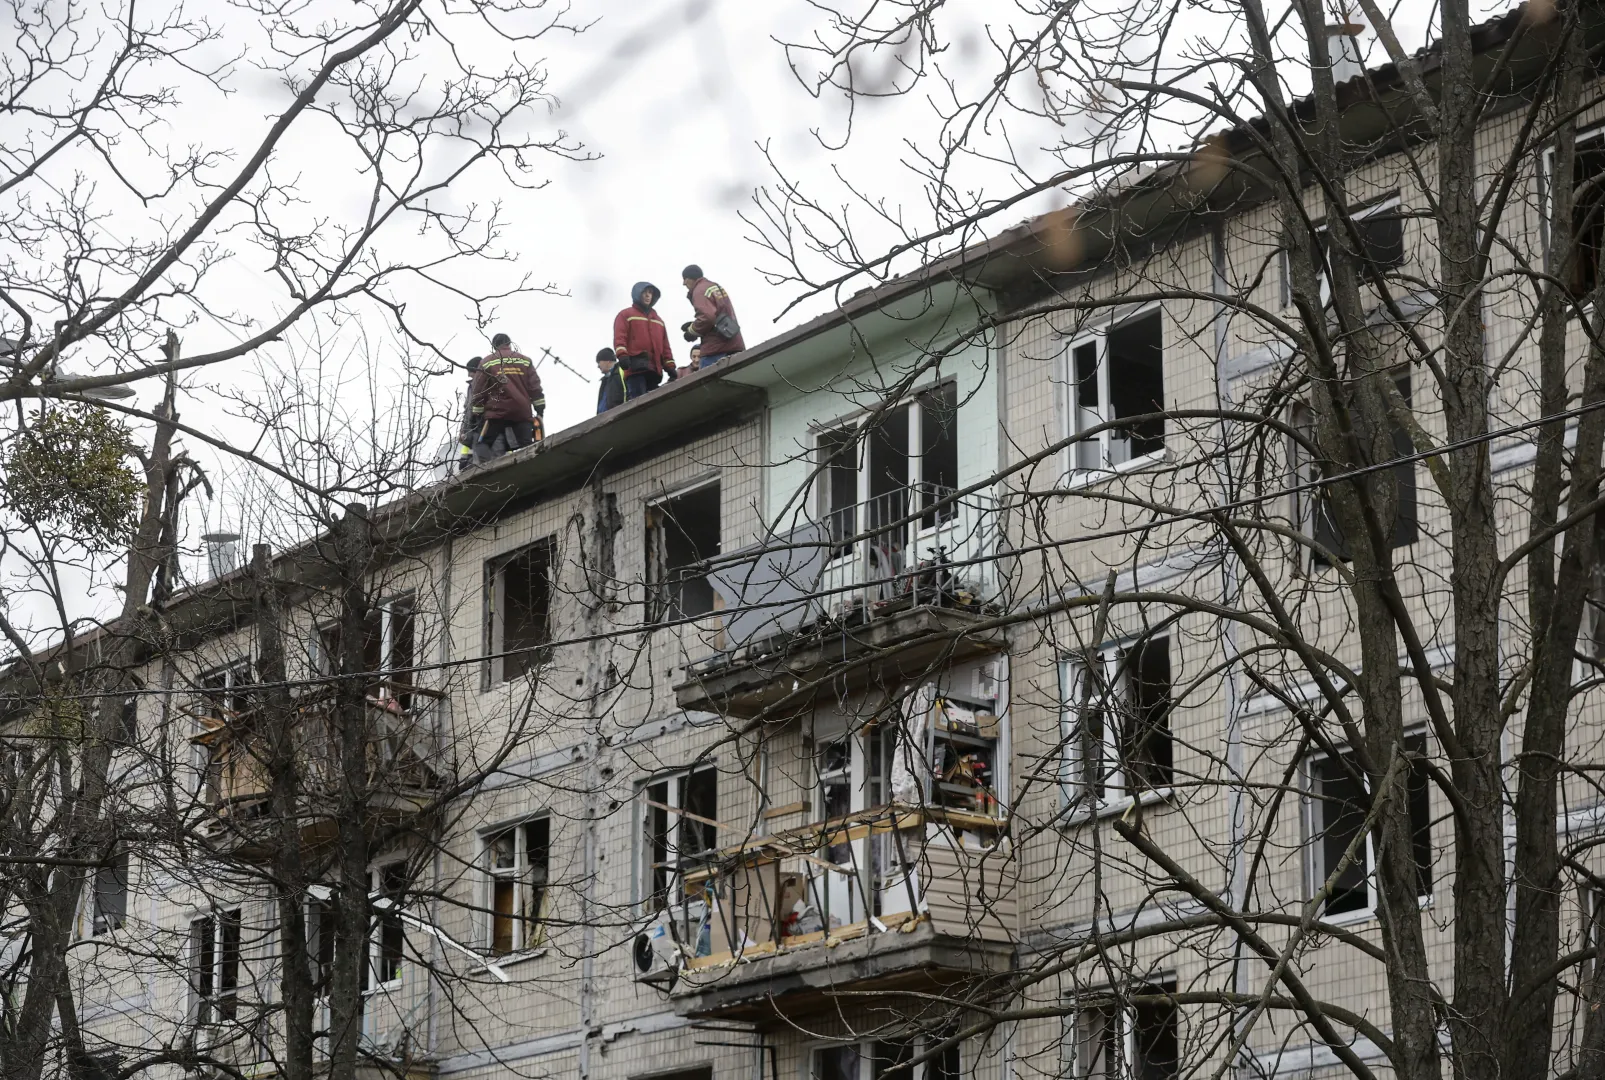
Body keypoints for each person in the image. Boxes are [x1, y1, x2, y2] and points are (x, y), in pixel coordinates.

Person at [471, 332, 544, 462]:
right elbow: (535, 387)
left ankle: (488, 473)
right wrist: (539, 409)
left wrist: (478, 412)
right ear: (509, 344)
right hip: (521, 411)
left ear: (494, 346)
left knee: (483, 444)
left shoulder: (486, 362)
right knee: (527, 447)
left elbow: (479, 390)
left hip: (496, 412)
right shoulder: (525, 360)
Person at [612, 282, 676, 399]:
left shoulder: (659, 321)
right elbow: (620, 337)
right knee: (638, 404)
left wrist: (670, 366)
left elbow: (665, 346)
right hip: (635, 369)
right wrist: (622, 355)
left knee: (654, 405)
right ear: (637, 294)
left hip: (654, 371)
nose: (648, 296)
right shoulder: (625, 315)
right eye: (644, 292)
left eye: (650, 293)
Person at [679, 265, 745, 366]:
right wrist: (694, 324)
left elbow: (707, 317)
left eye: (685, 279)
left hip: (716, 349)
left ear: (690, 278)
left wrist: (692, 331)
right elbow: (718, 315)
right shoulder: (714, 287)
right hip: (734, 344)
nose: (684, 283)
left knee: (709, 381)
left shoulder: (699, 290)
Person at [456, 356, 482, 471]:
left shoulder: (485, 385)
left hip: (480, 431)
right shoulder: (471, 387)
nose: (468, 375)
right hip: (471, 433)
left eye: (470, 371)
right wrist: (463, 429)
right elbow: (467, 410)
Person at [596, 347, 627, 414]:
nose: (598, 366)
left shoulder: (621, 371)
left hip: (620, 415)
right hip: (604, 420)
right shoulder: (604, 380)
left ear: (608, 361)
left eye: (599, 362)